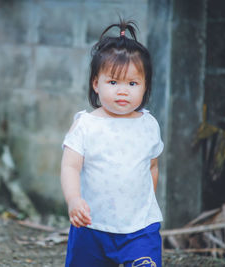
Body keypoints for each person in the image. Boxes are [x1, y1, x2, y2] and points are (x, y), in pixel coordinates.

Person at [60, 19, 164, 267]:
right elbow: (70, 167)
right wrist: (74, 199)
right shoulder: (86, 125)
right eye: (113, 82)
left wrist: (142, 205)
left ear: (145, 86)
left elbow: (152, 167)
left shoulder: (149, 125)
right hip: (92, 226)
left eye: (132, 83)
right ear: (96, 84)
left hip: (139, 228)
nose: (123, 91)